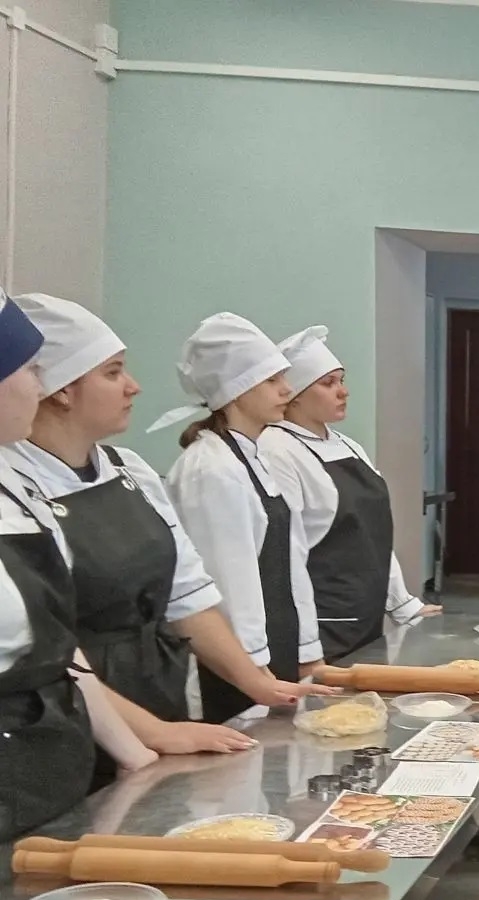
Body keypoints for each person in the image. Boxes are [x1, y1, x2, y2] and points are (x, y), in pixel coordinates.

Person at [7, 295, 309, 726]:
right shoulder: (14, 489)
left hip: (157, 688)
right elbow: (46, 646)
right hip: (68, 714)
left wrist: (261, 685)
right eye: (113, 372)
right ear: (62, 390)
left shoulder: (129, 469)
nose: (134, 386)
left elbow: (187, 593)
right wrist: (153, 736)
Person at [0, 289, 163, 838]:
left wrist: (135, 754)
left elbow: (56, 648)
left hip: (50, 771)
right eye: (28, 370)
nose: (39, 387)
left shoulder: (13, 487)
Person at [157, 313, 324, 722]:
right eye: (272, 380)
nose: (286, 389)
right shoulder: (210, 469)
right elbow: (226, 584)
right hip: (232, 671)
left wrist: (306, 651)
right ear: (237, 390)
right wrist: (253, 673)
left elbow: (290, 563)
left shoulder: (254, 456)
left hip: (273, 649)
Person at [260, 326, 438, 661]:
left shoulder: (348, 446)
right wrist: (305, 648)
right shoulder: (276, 449)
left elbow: (374, 540)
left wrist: (403, 604)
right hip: (317, 627)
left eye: (342, 380)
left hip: (364, 618)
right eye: (328, 383)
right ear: (295, 395)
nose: (343, 392)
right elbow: (286, 555)